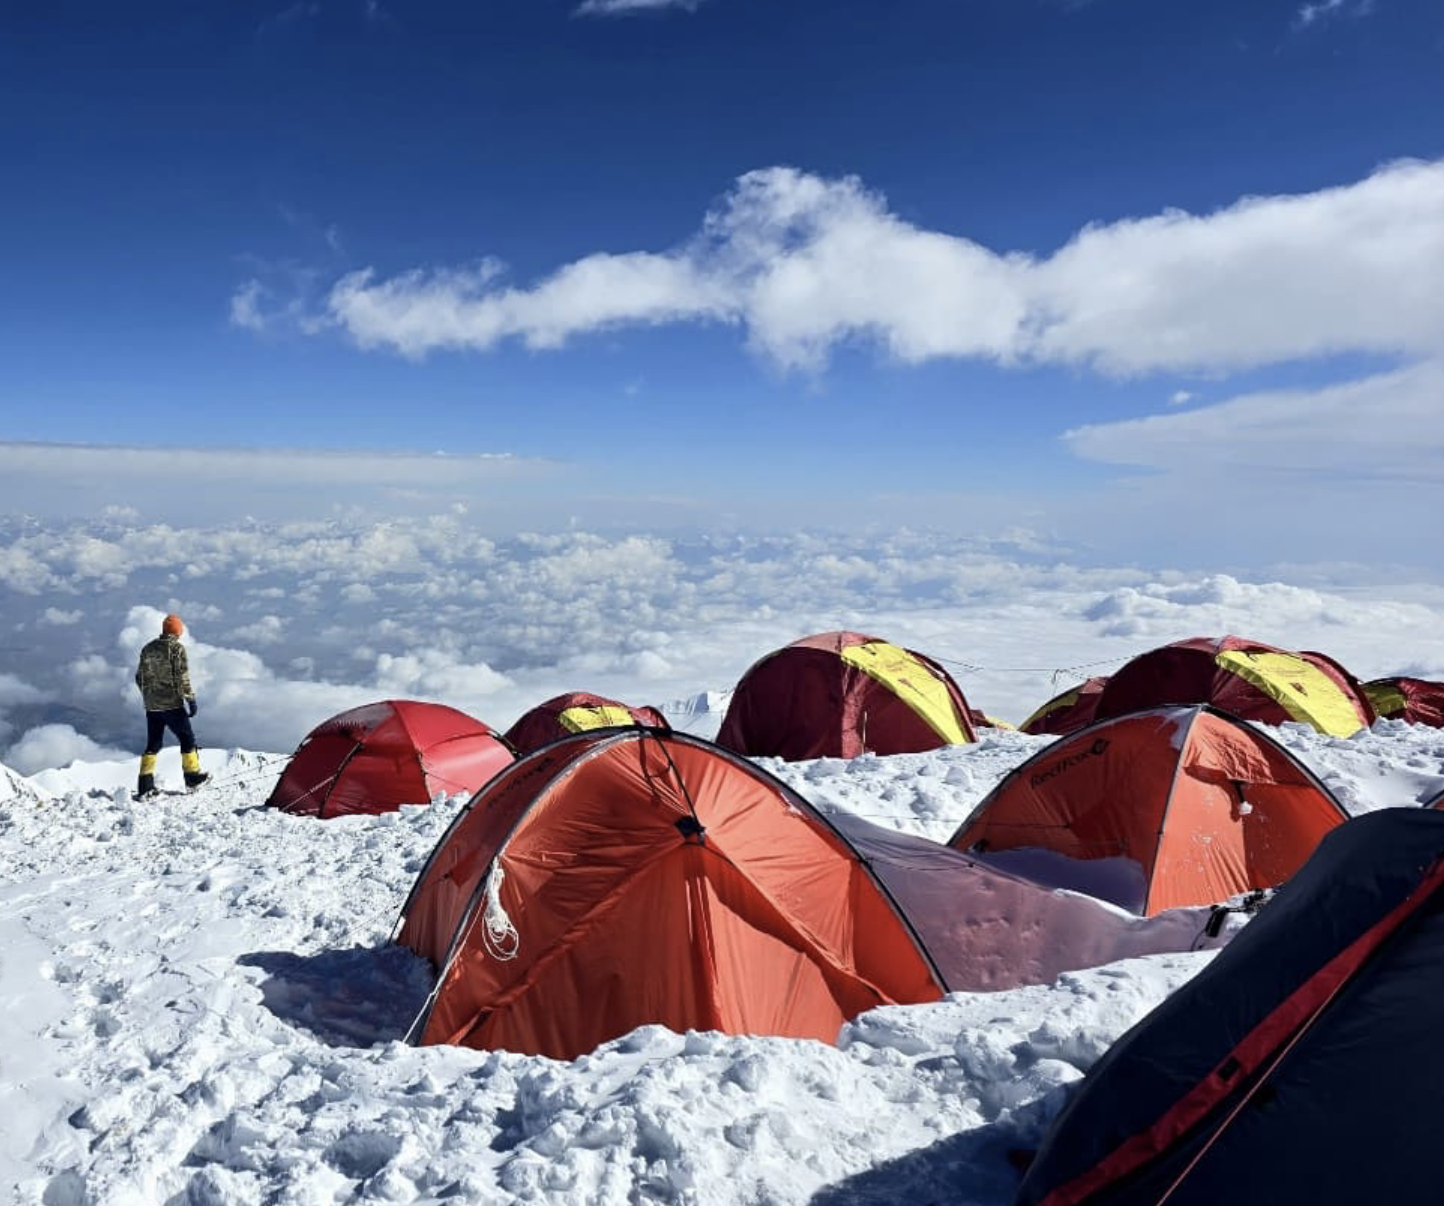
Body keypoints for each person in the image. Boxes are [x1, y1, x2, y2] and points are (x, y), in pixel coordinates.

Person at [134, 613, 209, 798]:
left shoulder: (148, 648)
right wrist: (190, 698)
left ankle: (145, 785)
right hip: (171, 704)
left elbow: (139, 677)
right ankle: (192, 777)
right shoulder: (176, 649)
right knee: (187, 739)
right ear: (177, 631)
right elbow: (181, 676)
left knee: (153, 743)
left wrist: (148, 695)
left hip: (152, 706)